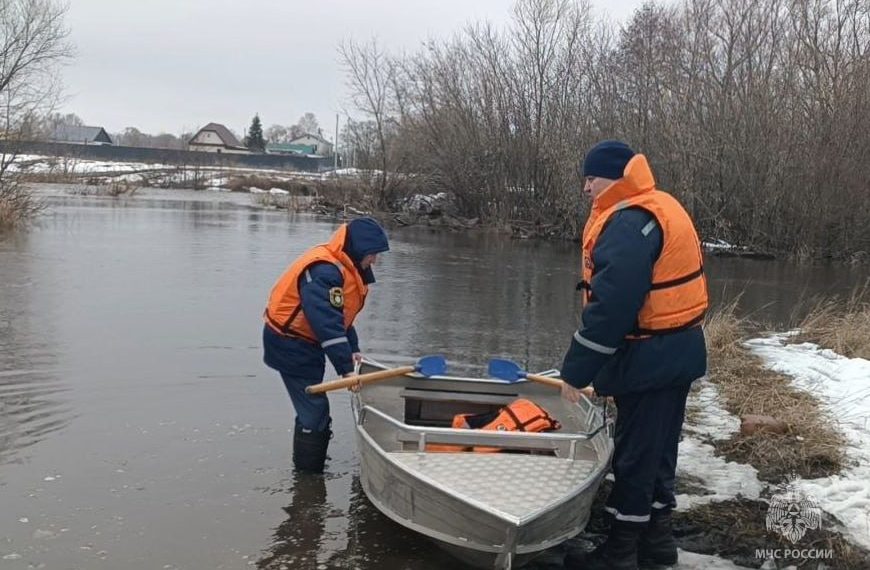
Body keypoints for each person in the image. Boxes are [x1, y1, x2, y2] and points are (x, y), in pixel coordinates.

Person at [560, 140, 708, 570]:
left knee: (636, 454)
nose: (586, 188)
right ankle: (656, 542)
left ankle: (621, 550)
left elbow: (613, 307)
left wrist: (576, 370)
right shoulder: (658, 204)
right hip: (675, 352)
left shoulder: (629, 221)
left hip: (651, 357)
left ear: (613, 178)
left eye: (591, 178)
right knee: (659, 449)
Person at [262, 217, 389, 473]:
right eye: (373, 254)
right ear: (359, 249)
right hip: (289, 345)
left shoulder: (344, 267)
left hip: (306, 345)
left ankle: (311, 462)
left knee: (315, 409)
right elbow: (325, 323)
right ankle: (308, 478)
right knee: (315, 410)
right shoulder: (324, 271)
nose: (375, 261)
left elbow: (340, 317)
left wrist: (352, 348)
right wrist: (345, 370)